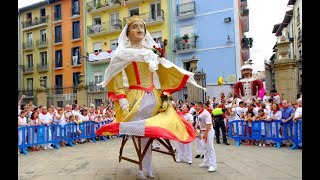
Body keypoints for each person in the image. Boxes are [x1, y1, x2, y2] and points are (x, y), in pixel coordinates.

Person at [96, 15, 203, 179]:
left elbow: (163, 71)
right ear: (127, 33)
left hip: (153, 96)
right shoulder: (122, 53)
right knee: (141, 136)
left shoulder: (151, 52)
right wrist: (122, 97)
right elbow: (115, 75)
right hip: (135, 98)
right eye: (135, 27)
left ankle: (147, 168)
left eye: (142, 27)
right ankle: (141, 168)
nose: (139, 30)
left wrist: (165, 93)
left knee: (149, 136)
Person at [194, 102, 217, 172]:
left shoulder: (205, 113)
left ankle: (213, 165)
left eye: (196, 106)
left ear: (200, 106)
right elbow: (201, 124)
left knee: (210, 148)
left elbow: (209, 124)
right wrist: (200, 133)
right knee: (205, 148)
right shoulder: (199, 113)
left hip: (208, 131)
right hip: (203, 131)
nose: (195, 107)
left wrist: (206, 133)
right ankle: (206, 163)